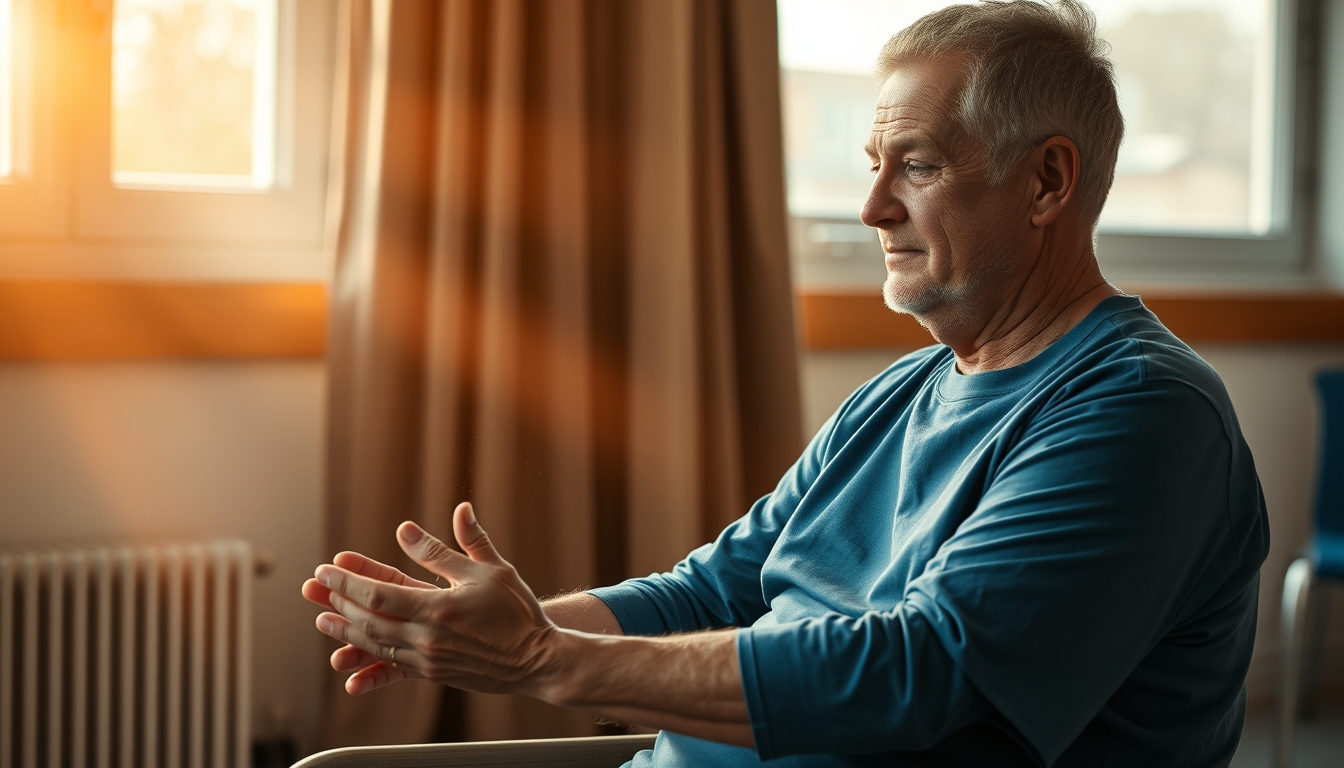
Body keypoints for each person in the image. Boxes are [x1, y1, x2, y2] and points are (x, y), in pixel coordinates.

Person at [302, 1, 1269, 765]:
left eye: (917, 165)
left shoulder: (1142, 413)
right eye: (872, 164)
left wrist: (541, 661)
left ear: (1047, 182)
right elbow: (715, 589)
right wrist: (484, 629)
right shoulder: (899, 393)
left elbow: (920, 676)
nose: (872, 206)